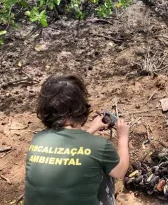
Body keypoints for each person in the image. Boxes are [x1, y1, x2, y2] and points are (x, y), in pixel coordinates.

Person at [24, 74, 130, 205]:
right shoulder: (100, 146)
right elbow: (120, 171)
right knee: (105, 167)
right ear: (81, 106)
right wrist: (123, 138)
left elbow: (69, 149)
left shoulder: (38, 139)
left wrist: (92, 129)